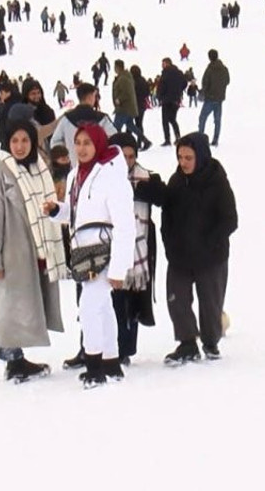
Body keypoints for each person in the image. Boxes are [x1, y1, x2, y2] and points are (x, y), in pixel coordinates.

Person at [43, 123, 136, 388]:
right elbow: (79, 214)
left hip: (104, 254)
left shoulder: (112, 178)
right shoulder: (75, 176)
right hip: (83, 254)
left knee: (88, 307)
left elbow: (125, 225)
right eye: (78, 143)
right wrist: (57, 211)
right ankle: (111, 361)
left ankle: (94, 368)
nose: (82, 148)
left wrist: (119, 269)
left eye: (88, 143)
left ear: (99, 144)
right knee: (103, 308)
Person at [134, 132, 237, 365]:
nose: (183, 162)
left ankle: (210, 341)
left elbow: (230, 219)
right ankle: (187, 342)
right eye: (180, 157)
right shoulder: (178, 180)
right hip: (180, 255)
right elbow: (168, 205)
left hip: (211, 257)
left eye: (188, 157)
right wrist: (169, 242)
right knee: (177, 299)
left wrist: (210, 243)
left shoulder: (217, 181)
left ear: (200, 156)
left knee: (210, 302)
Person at [0, 120, 67, 382]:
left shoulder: (38, 169)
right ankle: (12, 361)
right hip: (11, 254)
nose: (19, 146)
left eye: (25, 141)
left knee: (23, 305)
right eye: (14, 141)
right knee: (8, 308)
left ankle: (17, 359)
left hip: (33, 251)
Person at [107, 132, 157, 365]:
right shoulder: (102, 179)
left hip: (137, 254)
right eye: (121, 155)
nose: (126, 161)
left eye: (130, 156)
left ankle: (125, 349)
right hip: (108, 250)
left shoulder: (145, 179)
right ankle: (102, 346)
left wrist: (145, 189)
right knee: (109, 305)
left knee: (131, 304)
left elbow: (163, 197)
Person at [49, 83, 116, 159]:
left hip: (73, 166)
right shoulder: (102, 119)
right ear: (90, 97)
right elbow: (115, 139)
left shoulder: (66, 119)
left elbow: (55, 142)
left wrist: (66, 156)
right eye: (94, 96)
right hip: (98, 166)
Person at [197, 49, 229, 145]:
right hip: (219, 98)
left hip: (210, 98)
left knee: (202, 118)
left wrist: (202, 92)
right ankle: (215, 139)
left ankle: (201, 138)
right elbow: (227, 81)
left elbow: (205, 83)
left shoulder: (210, 69)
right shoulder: (224, 69)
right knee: (217, 120)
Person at [156, 57, 187, 146]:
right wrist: (179, 90)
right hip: (176, 99)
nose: (162, 65)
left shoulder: (165, 74)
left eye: (163, 63)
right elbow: (185, 83)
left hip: (166, 99)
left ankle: (167, 139)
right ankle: (178, 136)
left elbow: (161, 86)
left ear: (168, 63)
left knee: (165, 120)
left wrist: (159, 96)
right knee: (172, 119)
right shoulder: (179, 73)